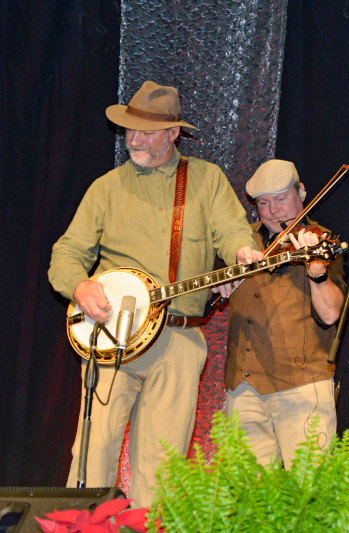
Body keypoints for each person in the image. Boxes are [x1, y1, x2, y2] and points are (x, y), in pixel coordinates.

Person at [48, 81, 261, 507]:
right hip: (111, 339)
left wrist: (242, 250)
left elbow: (232, 230)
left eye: (146, 131)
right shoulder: (106, 188)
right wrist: (80, 284)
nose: (134, 139)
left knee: (163, 469)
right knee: (92, 455)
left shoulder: (205, 180)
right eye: (129, 129)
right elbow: (66, 253)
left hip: (178, 339)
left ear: (173, 134)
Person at [224, 159, 345, 469]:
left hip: (303, 385)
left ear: (301, 192)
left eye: (281, 199)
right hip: (244, 386)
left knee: (308, 495)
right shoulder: (237, 242)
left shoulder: (320, 241)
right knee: (247, 497)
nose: (274, 211)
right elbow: (206, 299)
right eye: (264, 203)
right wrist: (221, 286)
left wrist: (316, 270)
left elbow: (331, 314)